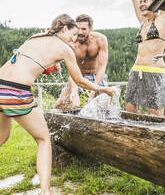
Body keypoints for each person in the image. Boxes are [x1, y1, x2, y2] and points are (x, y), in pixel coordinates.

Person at [0, 14, 115, 195]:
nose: (74, 39)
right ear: (63, 29)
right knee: (44, 140)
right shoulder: (65, 48)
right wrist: (105, 89)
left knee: (2, 138)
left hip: (1, 85)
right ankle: (46, 192)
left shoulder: (36, 37)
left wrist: (51, 67)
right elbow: (79, 81)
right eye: (73, 34)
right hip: (16, 91)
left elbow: (30, 61)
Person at [125, 0, 165, 116]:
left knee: (153, 113)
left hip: (155, 71)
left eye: (145, 1)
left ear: (155, 3)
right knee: (129, 108)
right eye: (141, 2)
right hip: (137, 70)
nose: (141, 4)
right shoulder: (143, 21)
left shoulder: (162, 19)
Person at [55, 14, 109, 109]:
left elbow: (102, 67)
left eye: (83, 29)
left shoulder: (100, 40)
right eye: (78, 28)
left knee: (105, 107)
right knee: (60, 105)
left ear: (90, 29)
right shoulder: (72, 44)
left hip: (96, 76)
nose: (80, 32)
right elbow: (72, 71)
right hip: (77, 76)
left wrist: (93, 90)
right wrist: (74, 92)